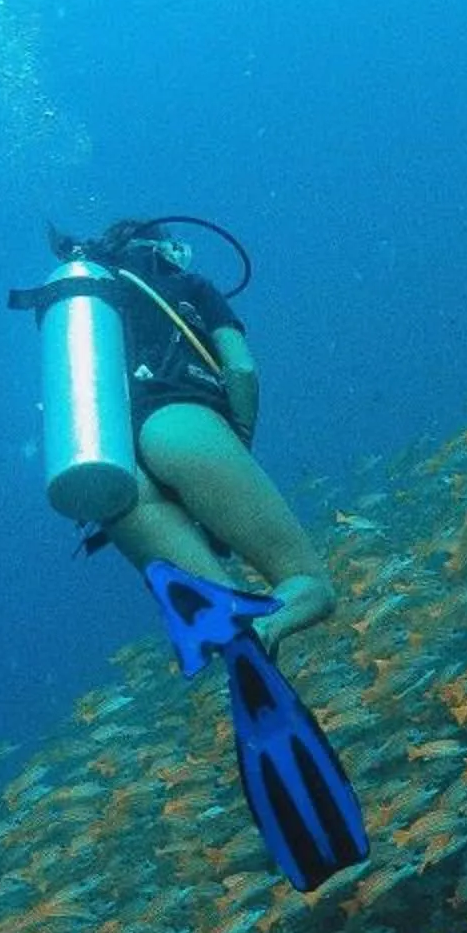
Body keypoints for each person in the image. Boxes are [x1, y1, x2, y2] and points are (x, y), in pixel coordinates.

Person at [44, 216, 369, 892]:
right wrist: (235, 445)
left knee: (227, 629)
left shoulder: (80, 313)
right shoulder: (185, 283)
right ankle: (269, 625)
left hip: (111, 473)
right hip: (181, 424)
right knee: (309, 583)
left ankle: (237, 638)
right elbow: (241, 367)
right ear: (163, 247)